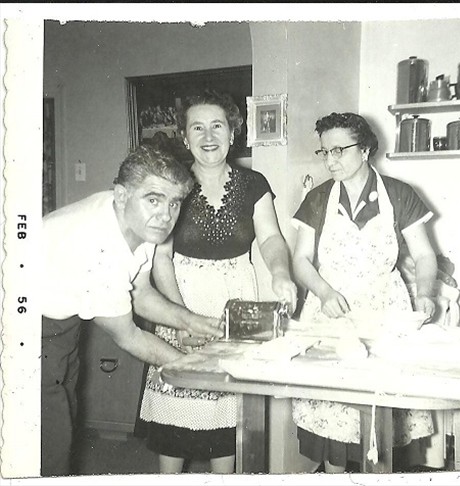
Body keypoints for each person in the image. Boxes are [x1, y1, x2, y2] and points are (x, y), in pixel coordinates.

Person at [139, 90, 297, 474]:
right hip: (182, 294)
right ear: (185, 136)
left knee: (227, 419)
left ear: (232, 132)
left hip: (234, 298)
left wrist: (280, 272)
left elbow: (271, 238)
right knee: (176, 419)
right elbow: (162, 256)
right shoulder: (172, 185)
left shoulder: (254, 183)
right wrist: (180, 318)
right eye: (197, 127)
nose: (208, 136)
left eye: (217, 126)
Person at [41, 145, 223, 477]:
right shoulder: (99, 244)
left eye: (174, 203)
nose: (165, 215)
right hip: (24, 327)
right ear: (122, 195)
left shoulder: (143, 225)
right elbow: (128, 335)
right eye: (153, 200)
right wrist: (188, 365)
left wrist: (193, 320)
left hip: (61, 325)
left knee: (62, 423)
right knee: (47, 446)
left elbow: (140, 294)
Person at [290, 112, 438, 473]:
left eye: (339, 150)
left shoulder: (400, 195)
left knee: (381, 417)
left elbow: (424, 254)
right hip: (331, 310)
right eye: (324, 152)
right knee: (333, 420)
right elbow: (301, 260)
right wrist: (323, 292)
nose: (331, 160)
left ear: (367, 149)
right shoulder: (318, 198)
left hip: (384, 309)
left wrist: (426, 292)